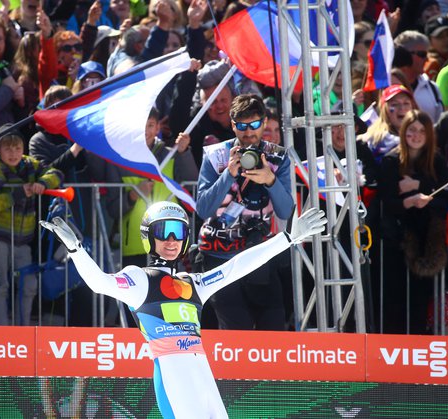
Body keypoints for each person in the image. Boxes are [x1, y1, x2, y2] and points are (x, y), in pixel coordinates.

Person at [41, 201, 326, 418]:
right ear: (148, 236)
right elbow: (99, 283)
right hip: (173, 375)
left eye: (178, 232)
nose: (171, 240)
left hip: (202, 374)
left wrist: (287, 238)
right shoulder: (139, 279)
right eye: (162, 232)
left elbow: (237, 266)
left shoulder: (194, 283)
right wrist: (75, 248)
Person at [195, 94, 294, 331]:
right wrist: (228, 174)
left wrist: (270, 181)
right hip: (220, 258)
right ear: (233, 125)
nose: (249, 132)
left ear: (263, 122)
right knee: (234, 334)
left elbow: (286, 210)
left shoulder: (278, 156)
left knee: (273, 332)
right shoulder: (216, 155)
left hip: (260, 255)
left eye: (255, 125)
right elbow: (203, 209)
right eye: (242, 126)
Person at [0, 124, 63, 325]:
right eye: (8, 148)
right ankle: (3, 334)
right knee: (0, 286)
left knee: (29, 284)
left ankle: (22, 332)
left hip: (22, 239)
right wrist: (16, 194)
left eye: (17, 148)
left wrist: (44, 183)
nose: (13, 153)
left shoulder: (29, 164)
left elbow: (56, 173)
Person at [378, 110, 448, 334]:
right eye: (411, 131)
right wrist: (409, 201)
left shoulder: (436, 161)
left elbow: (445, 197)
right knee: (395, 299)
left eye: (421, 131)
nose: (416, 136)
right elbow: (387, 201)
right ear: (403, 133)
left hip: (427, 240)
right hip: (398, 240)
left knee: (420, 299)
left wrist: (419, 186)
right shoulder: (391, 161)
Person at [106, 108, 198, 267]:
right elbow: (113, 209)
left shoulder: (171, 155)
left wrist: (183, 152)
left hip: (170, 242)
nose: (145, 131)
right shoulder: (118, 160)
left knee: (169, 291)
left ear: (157, 128)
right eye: (140, 125)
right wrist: (133, 195)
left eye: (150, 125)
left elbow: (192, 181)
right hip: (134, 246)